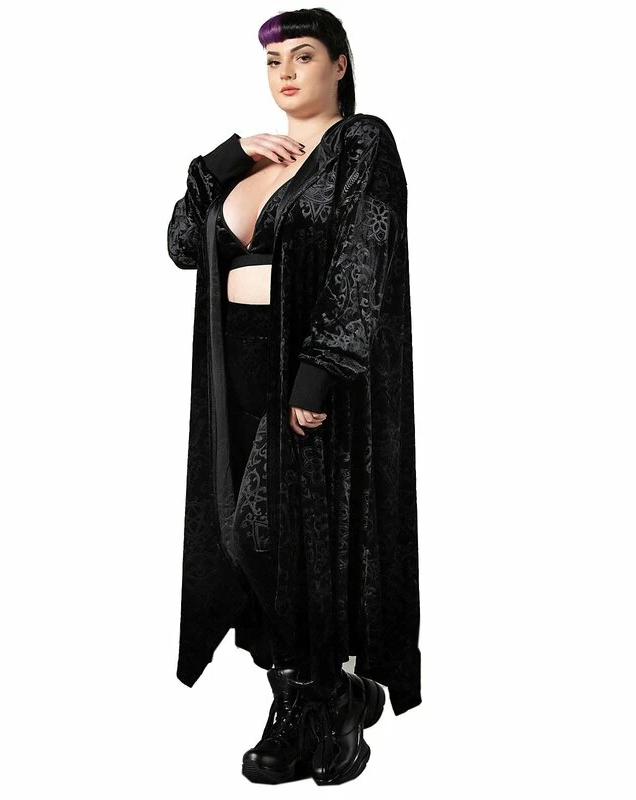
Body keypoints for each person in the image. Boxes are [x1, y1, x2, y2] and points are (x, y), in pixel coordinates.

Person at [167, 7, 420, 786]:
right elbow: (183, 245)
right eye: (274, 61)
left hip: (303, 374)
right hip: (234, 377)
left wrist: (321, 371)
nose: (285, 73)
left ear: (339, 65)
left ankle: (327, 699)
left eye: (303, 56)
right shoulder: (249, 162)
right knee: (238, 544)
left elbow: (365, 252)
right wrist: (225, 158)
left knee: (275, 537)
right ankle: (306, 703)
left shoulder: (360, 143)